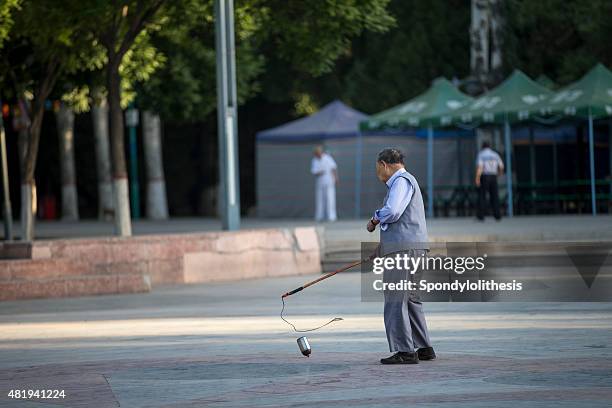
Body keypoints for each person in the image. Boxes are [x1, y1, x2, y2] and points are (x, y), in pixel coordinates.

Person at [367, 148, 435, 365]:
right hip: (413, 248)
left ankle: (405, 351)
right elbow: (403, 221)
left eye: (378, 167)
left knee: (395, 299)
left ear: (384, 164)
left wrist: (375, 219)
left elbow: (393, 211)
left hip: (404, 251)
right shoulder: (409, 181)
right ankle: (423, 347)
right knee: (411, 298)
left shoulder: (400, 181)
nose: (377, 173)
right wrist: (382, 247)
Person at [475, 141, 504, 221]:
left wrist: (477, 178)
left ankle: (481, 216)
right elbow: (501, 167)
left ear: (482, 147)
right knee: (495, 196)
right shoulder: (495, 154)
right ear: (489, 146)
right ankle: (497, 215)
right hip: (493, 176)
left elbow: (480, 167)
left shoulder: (481, 154)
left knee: (482, 196)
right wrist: (498, 175)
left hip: (485, 176)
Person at [310, 146, 338, 222]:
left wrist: (336, 178)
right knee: (320, 200)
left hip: (329, 182)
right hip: (320, 183)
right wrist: (319, 172)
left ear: (321, 152)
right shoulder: (314, 160)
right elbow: (314, 172)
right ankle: (319, 216)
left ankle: (331, 217)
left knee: (330, 199)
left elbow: (333, 168)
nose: (317, 155)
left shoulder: (328, 158)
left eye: (318, 153)